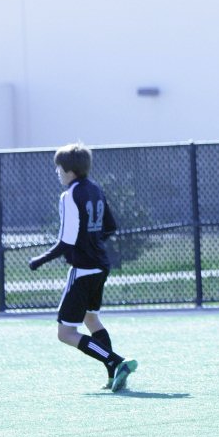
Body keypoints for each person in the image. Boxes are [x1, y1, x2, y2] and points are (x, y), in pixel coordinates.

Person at [28, 143, 137, 392]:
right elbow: (109, 226)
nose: (57, 172)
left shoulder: (70, 195)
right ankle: (114, 373)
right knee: (91, 318)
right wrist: (92, 242)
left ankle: (116, 361)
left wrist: (40, 260)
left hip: (84, 269)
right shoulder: (96, 189)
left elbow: (66, 241)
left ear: (69, 171)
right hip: (100, 266)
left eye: (59, 168)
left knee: (65, 333)